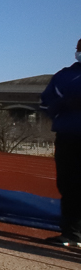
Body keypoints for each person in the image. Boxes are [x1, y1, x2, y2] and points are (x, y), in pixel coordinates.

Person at [40, 38, 81, 247]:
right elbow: (45, 103)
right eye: (79, 48)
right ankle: (71, 233)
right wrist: (64, 103)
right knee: (68, 185)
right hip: (67, 137)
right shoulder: (64, 76)